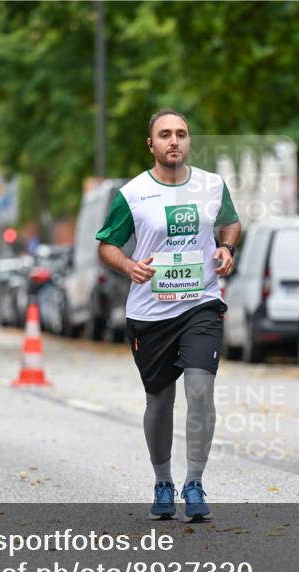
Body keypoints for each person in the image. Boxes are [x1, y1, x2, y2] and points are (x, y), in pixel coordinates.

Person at [96, 109, 241, 521]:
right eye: (165, 134)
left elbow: (231, 223)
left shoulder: (212, 186)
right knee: (160, 402)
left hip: (201, 304)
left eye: (181, 133)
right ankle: (163, 482)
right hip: (151, 313)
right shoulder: (133, 193)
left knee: (200, 390)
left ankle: (194, 482)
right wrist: (129, 266)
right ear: (151, 144)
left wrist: (226, 248)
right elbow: (106, 245)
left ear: (189, 141)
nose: (173, 140)